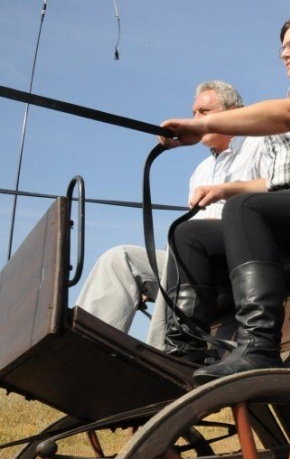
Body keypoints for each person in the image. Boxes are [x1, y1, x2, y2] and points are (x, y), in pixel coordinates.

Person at [159, 14, 290, 383]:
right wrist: (227, 189)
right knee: (188, 233)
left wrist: (205, 124)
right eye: (283, 48)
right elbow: (275, 182)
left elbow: (288, 116)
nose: (285, 53)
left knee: (245, 210)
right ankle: (186, 346)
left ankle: (258, 345)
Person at [75, 81, 268, 349]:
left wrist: (226, 193)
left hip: (240, 254)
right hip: (195, 256)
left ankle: (160, 357)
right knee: (120, 259)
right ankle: (86, 348)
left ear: (233, 111)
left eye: (204, 111)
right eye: (194, 113)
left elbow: (276, 189)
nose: (196, 120)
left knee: (182, 247)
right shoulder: (201, 170)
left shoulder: (258, 145)